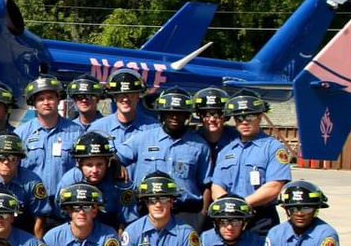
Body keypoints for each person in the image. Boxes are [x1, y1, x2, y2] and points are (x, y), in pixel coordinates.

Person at [117, 87, 212, 228]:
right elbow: (115, 156)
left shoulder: (200, 146)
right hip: (147, 210)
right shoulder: (143, 138)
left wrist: (202, 215)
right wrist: (119, 166)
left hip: (186, 213)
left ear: (187, 115)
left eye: (179, 113)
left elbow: (206, 185)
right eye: (170, 113)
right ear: (161, 113)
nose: (174, 117)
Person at [209, 93, 292, 235]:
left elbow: (275, 186)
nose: (244, 122)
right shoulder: (226, 150)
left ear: (260, 117)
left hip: (260, 218)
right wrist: (227, 205)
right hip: (229, 219)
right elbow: (217, 185)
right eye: (239, 118)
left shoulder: (273, 148)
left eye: (250, 117)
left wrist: (242, 204)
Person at [14, 75, 81, 228]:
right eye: (40, 99)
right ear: (33, 103)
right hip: (30, 209)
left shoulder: (77, 132)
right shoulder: (21, 134)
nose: (46, 102)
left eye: (50, 98)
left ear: (58, 99)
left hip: (65, 208)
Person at [55, 131, 138, 229]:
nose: (95, 170)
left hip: (111, 227)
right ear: (79, 164)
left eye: (100, 164)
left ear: (108, 162)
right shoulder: (69, 182)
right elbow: (61, 214)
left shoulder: (121, 180)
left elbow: (127, 221)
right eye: (89, 165)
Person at [89, 69, 155, 150]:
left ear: (138, 97)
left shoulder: (154, 128)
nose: (125, 99)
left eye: (130, 94)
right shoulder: (98, 129)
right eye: (121, 95)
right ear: (114, 97)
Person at [193, 87, 238, 171]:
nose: (212, 119)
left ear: (226, 116)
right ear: (200, 116)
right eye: (206, 114)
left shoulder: (237, 141)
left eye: (217, 114)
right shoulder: (192, 141)